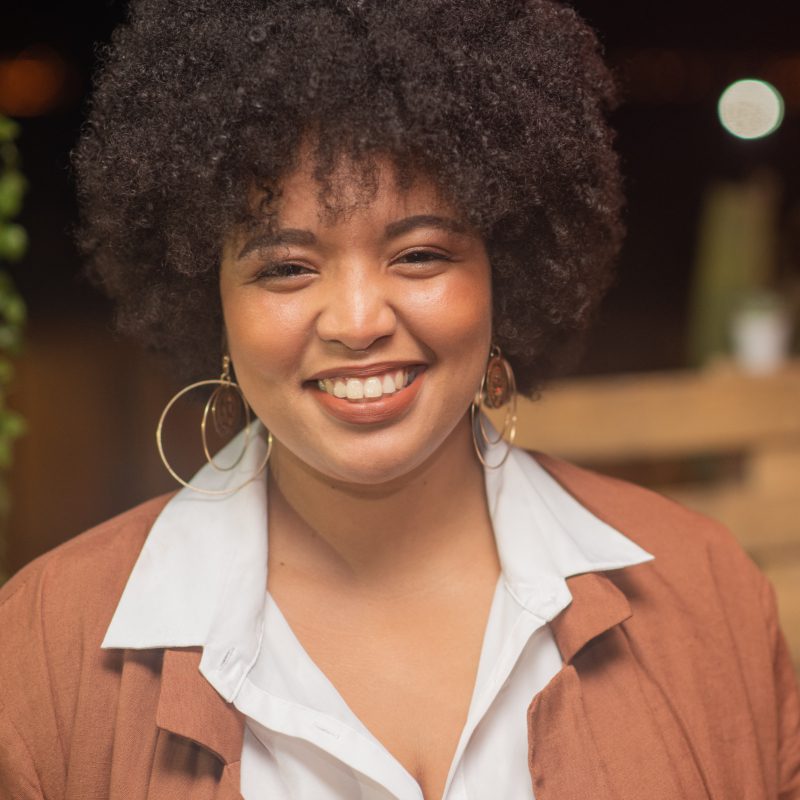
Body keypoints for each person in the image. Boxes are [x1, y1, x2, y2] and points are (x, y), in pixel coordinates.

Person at [1, 0, 798, 798]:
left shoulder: (709, 595)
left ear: (504, 272)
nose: (357, 323)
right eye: (286, 267)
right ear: (211, 300)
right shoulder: (41, 655)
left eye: (418, 254)